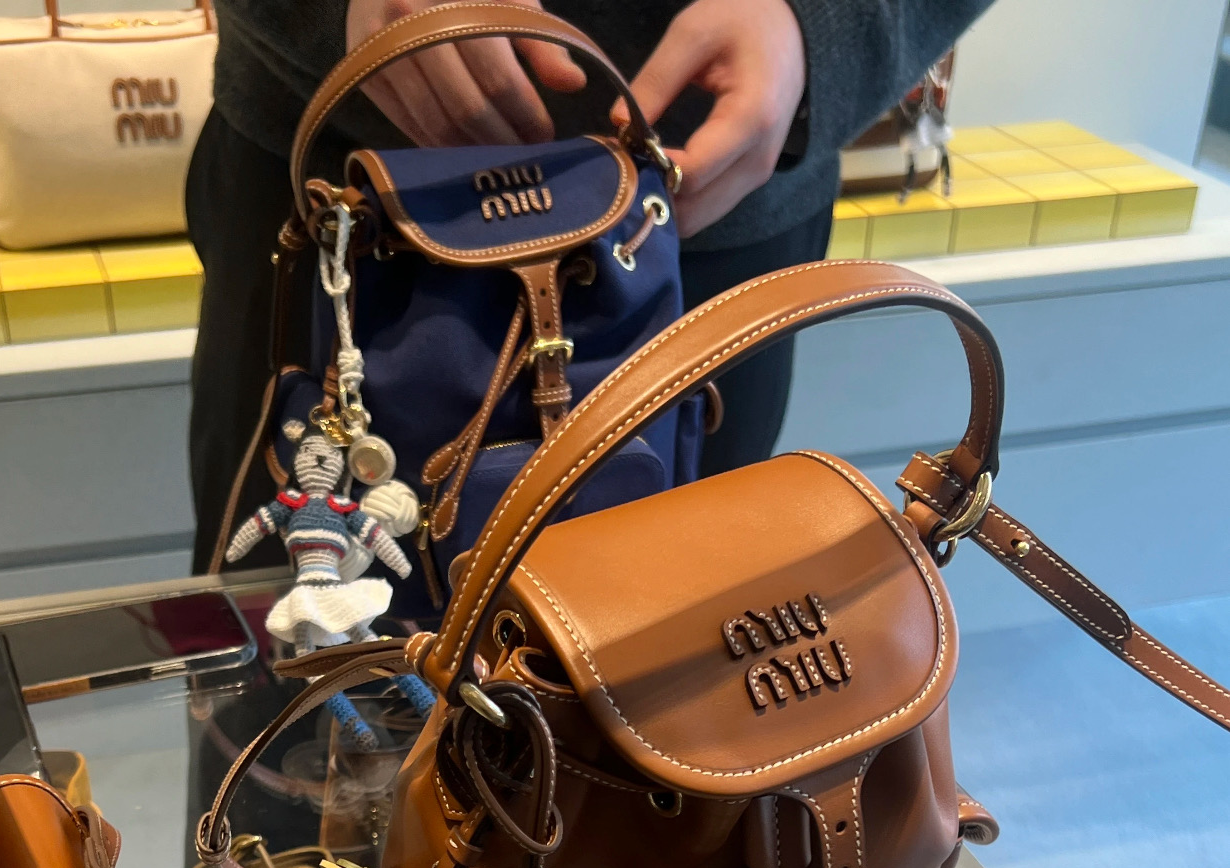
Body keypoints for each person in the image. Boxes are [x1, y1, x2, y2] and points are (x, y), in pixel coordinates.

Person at [187, 0, 992, 573]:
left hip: (709, 200)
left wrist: (827, 23)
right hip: (344, 209)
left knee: (675, 678)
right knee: (296, 687)